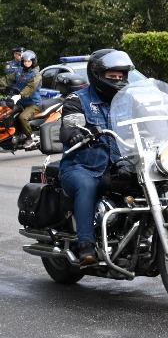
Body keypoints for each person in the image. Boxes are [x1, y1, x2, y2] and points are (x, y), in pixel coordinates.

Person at [59, 49, 135, 266]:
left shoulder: (129, 101)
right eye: (112, 76)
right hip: (80, 167)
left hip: (118, 166)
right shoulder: (77, 100)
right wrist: (74, 134)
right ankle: (86, 245)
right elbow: (66, 129)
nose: (118, 80)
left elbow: (149, 121)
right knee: (86, 186)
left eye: (121, 76)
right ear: (98, 75)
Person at [7, 50, 43, 150]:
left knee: (22, 117)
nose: (26, 63)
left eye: (28, 61)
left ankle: (30, 137)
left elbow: (30, 88)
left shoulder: (36, 75)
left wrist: (19, 96)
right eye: (25, 61)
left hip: (33, 104)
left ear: (33, 62)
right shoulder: (19, 71)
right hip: (22, 103)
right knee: (8, 114)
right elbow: (7, 79)